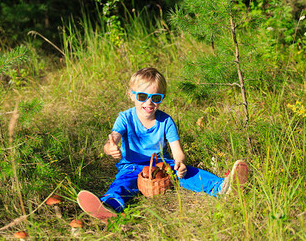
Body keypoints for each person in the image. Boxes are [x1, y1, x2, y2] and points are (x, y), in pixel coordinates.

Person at [82, 67, 249, 215]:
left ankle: (221, 187)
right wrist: (110, 148)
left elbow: (178, 152)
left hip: (162, 164)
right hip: (132, 165)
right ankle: (109, 205)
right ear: (131, 96)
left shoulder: (166, 121)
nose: (149, 102)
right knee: (124, 182)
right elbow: (113, 138)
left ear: (162, 98)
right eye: (142, 96)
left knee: (187, 173)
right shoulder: (125, 118)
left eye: (155, 97)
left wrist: (180, 163)